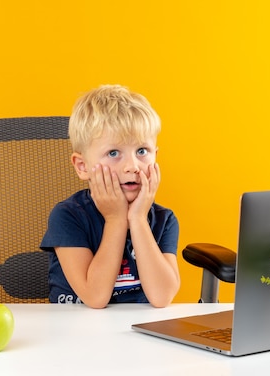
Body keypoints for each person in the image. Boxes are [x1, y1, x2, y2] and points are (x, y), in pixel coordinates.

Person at [40, 84, 180, 308]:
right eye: (114, 153)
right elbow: (95, 298)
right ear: (83, 166)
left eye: (142, 151)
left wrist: (137, 219)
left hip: (135, 333)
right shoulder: (67, 216)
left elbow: (162, 297)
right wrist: (116, 219)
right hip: (74, 331)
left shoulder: (164, 220)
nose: (132, 166)